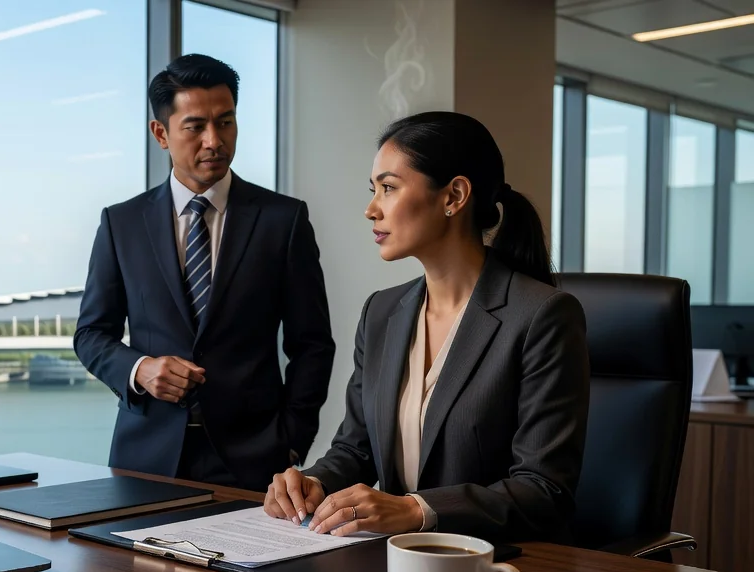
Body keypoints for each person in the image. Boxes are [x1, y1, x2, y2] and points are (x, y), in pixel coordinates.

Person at [263, 111, 589, 542]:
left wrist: (415, 510)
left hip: (497, 570)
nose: (370, 208)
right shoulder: (381, 312)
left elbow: (543, 490)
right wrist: (313, 483)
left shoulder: (543, 316)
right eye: (373, 190)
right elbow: (354, 448)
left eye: (389, 188)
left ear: (454, 195)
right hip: (393, 566)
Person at [74, 54, 335, 491]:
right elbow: (90, 334)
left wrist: (292, 443)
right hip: (145, 457)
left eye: (226, 122)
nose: (214, 140)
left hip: (255, 461)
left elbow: (312, 344)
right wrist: (139, 369)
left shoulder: (282, 220)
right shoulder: (121, 223)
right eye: (195, 126)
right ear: (162, 133)